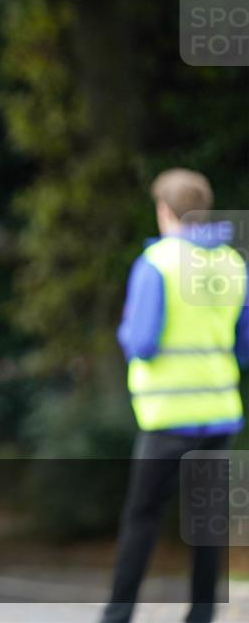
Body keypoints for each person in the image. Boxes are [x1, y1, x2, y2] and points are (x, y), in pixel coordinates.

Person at [101, 168, 248, 623]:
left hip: (167, 417)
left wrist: (126, 329)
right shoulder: (233, 262)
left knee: (142, 517)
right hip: (219, 413)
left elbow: (141, 341)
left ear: (164, 210)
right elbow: (243, 347)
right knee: (207, 523)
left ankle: (118, 615)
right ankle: (202, 613)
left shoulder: (158, 263)